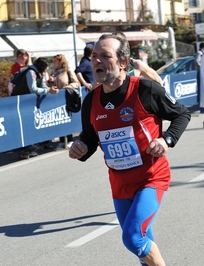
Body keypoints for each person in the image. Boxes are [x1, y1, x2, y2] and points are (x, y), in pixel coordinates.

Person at [69, 34, 190, 266]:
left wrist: (166, 140)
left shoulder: (146, 89)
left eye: (105, 56)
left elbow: (182, 114)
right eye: (94, 56)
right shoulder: (91, 100)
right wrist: (81, 147)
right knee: (142, 242)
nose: (97, 61)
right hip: (120, 184)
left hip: (151, 179)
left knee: (133, 238)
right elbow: (90, 138)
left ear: (124, 62)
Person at [11, 57, 59, 158]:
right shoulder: (31, 72)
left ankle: (30, 146)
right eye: (46, 67)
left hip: (27, 103)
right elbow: (32, 89)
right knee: (23, 125)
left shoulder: (39, 73)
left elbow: (42, 86)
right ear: (42, 67)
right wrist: (48, 91)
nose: (47, 69)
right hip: (19, 101)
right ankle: (24, 149)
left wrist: (50, 89)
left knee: (29, 124)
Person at [49, 54, 80, 149]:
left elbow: (76, 83)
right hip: (56, 100)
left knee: (67, 118)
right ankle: (62, 140)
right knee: (59, 119)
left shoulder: (67, 71)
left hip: (66, 98)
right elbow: (49, 85)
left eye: (56, 61)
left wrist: (69, 86)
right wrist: (49, 82)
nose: (54, 63)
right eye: (53, 61)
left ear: (61, 62)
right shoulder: (53, 72)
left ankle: (70, 139)